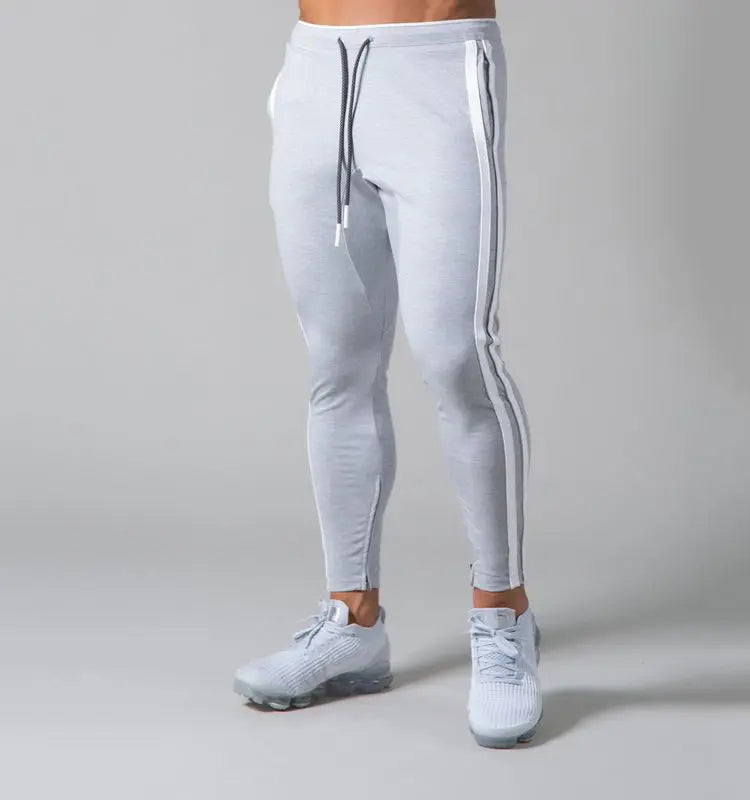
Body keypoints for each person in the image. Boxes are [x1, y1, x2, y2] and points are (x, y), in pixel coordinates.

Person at [233, 0, 541, 749]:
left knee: (459, 357)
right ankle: (353, 622)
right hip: (316, 70)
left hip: (437, 65)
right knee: (337, 362)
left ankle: (503, 614)